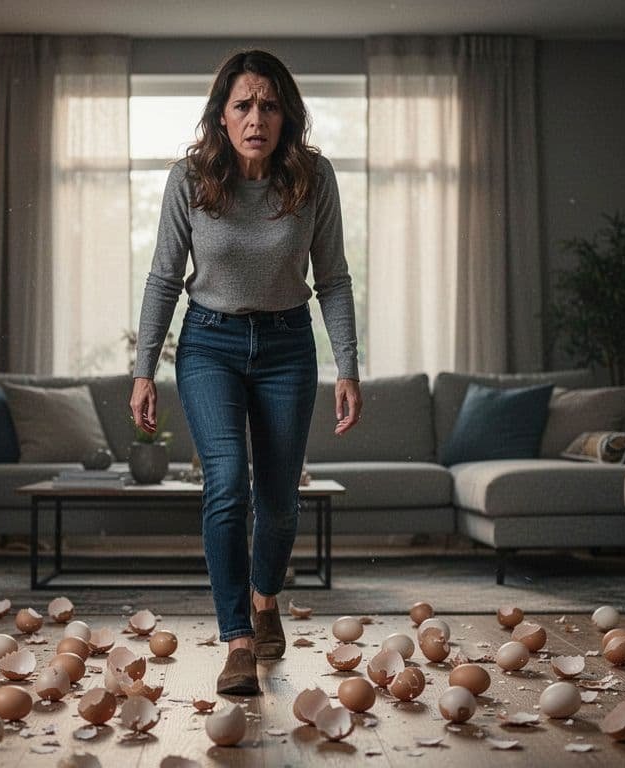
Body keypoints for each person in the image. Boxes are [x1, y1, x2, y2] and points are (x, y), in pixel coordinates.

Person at [130, 49, 362, 695]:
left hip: (288, 345)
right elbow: (163, 276)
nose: (255, 116)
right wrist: (144, 368)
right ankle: (237, 638)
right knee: (227, 483)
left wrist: (348, 366)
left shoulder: (313, 177)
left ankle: (265, 600)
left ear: (286, 114)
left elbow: (334, 279)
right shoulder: (191, 178)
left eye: (268, 104)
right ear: (222, 115)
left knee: (280, 503)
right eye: (242, 105)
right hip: (209, 344)